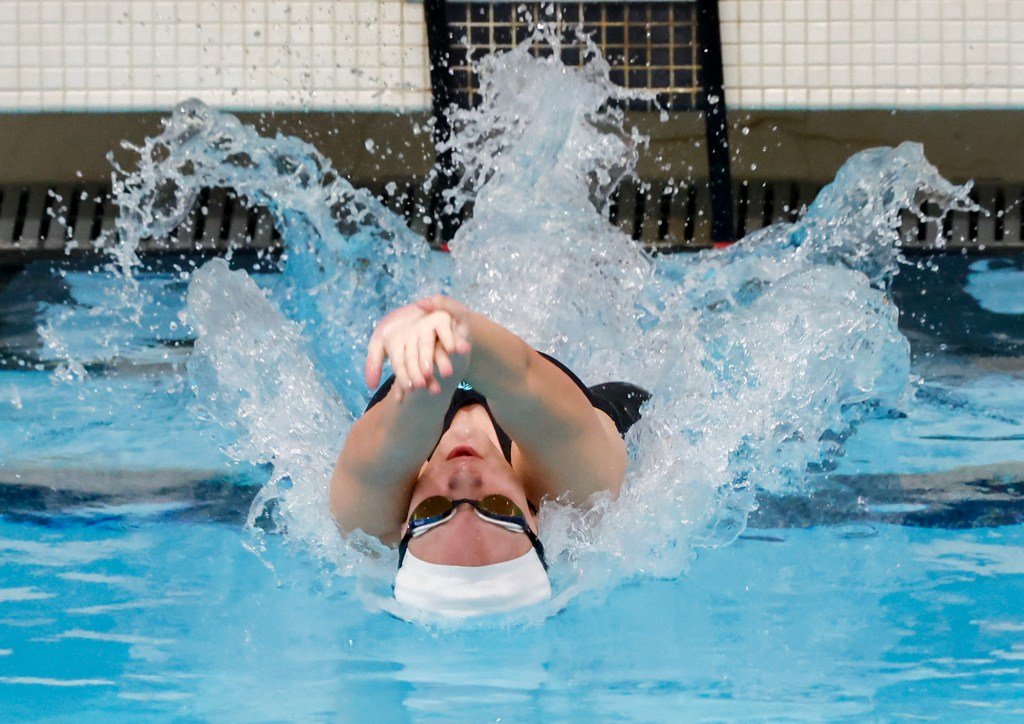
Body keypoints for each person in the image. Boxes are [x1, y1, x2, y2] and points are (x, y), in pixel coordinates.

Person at [329, 295, 649, 616]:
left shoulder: (365, 518)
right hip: (598, 415)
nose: (465, 479)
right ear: (536, 524)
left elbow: (405, 422)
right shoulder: (577, 487)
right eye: (498, 507)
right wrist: (456, 330)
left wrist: (428, 345)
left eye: (434, 510)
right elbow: (521, 377)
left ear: (402, 531)